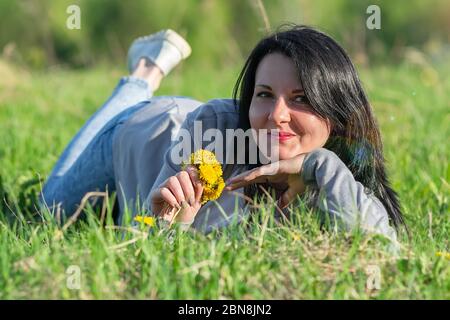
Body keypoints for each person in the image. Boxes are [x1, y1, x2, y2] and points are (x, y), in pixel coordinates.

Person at [39, 25, 406, 243]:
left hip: (187, 121)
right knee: (50, 210)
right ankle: (144, 73)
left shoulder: (339, 166)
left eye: (301, 99)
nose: (277, 115)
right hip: (139, 132)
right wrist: (173, 221)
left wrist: (319, 165)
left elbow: (379, 249)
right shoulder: (215, 131)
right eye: (264, 95)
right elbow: (149, 252)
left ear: (336, 112)